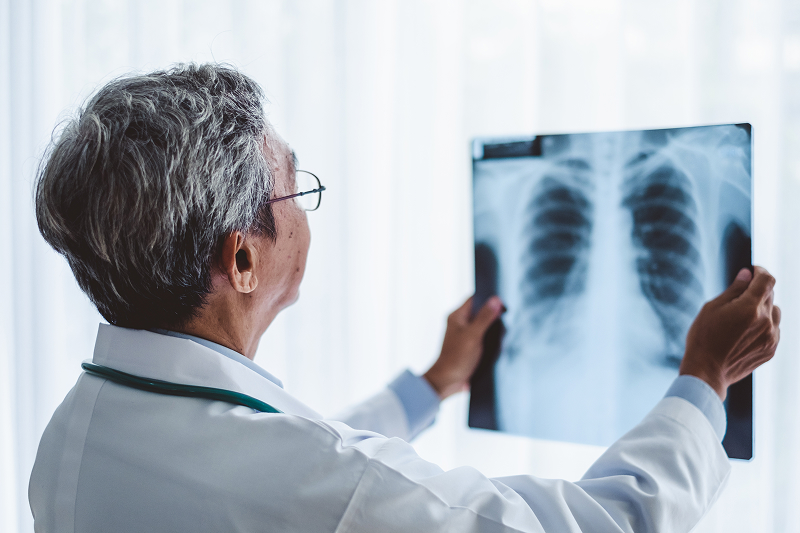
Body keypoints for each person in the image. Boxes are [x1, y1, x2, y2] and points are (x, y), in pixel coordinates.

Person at [29, 64, 781, 533]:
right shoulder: (309, 478)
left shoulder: (74, 432)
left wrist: (429, 387)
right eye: (296, 187)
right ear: (244, 257)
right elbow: (603, 524)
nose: (305, 208)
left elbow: (282, 463)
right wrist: (705, 378)